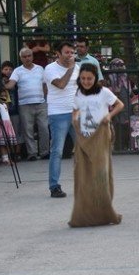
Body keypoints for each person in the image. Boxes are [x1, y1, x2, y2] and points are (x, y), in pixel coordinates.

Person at [70, 63, 124, 226]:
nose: (86, 81)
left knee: (101, 174)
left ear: (96, 78)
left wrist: (109, 116)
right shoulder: (78, 93)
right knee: (83, 175)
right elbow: (75, 109)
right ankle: (84, 212)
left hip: (100, 136)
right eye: (83, 78)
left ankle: (105, 211)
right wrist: (75, 117)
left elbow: (120, 105)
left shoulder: (103, 92)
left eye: (90, 78)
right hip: (84, 137)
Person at [43, 42, 80, 198]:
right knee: (57, 151)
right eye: (67, 52)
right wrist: (71, 69)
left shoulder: (78, 68)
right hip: (58, 114)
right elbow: (61, 84)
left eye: (72, 52)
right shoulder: (50, 69)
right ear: (58, 53)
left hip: (76, 112)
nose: (70, 55)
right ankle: (54, 186)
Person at [0, 89, 17, 164]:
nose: (4, 97)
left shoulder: (5, 104)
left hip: (8, 124)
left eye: (5, 96)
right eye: (2, 96)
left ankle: (8, 157)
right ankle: (4, 158)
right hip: (1, 124)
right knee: (3, 143)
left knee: (8, 143)